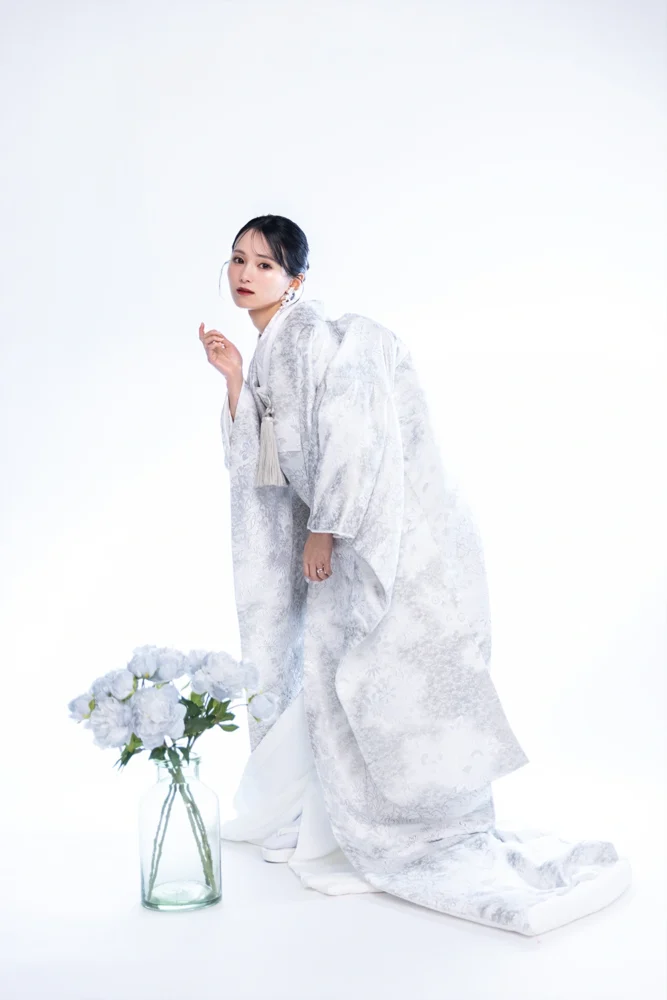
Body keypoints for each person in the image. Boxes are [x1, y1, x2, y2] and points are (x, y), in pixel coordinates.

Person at [198, 214, 632, 936]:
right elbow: (263, 458)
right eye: (238, 260)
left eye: (265, 265)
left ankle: (383, 827)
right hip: (337, 528)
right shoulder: (273, 346)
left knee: (356, 676)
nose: (246, 274)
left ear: (296, 280)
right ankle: (316, 822)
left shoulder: (311, 337)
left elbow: (352, 431)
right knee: (325, 678)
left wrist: (325, 526)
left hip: (363, 531)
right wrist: (236, 378)